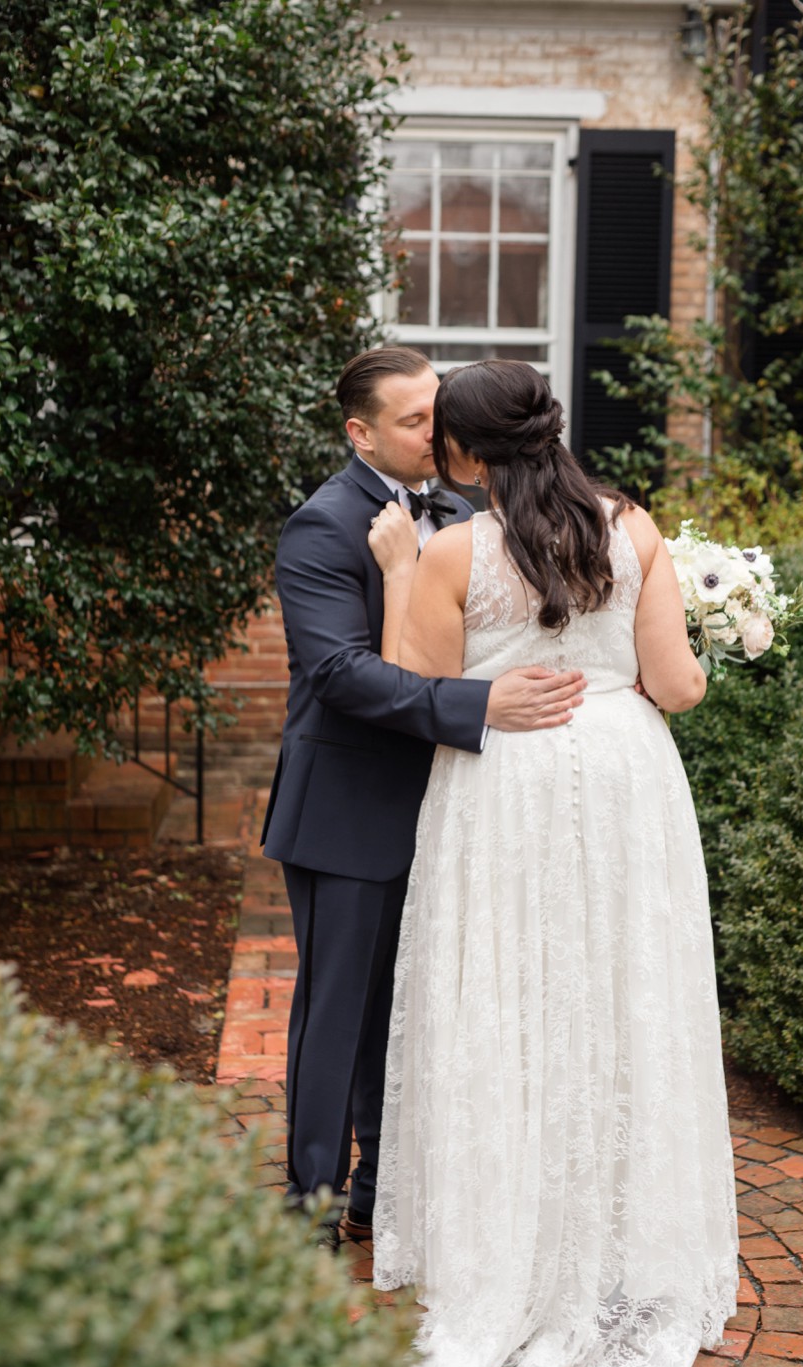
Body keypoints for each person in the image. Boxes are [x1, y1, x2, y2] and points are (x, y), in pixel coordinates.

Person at [368, 359, 738, 1367]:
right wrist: (703, 644)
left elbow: (416, 688)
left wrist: (399, 572)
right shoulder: (636, 529)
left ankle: (516, 1243)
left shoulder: (449, 551)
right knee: (624, 996)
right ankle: (623, 1245)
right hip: (626, 779)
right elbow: (675, 684)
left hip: (505, 787)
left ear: (467, 451)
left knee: (509, 999)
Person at [260, 346, 587, 1250]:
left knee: (417, 1008)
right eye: (414, 421)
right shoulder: (321, 526)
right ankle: (312, 1203)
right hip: (351, 805)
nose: (436, 432)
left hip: (457, 809)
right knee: (342, 1012)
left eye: (438, 412)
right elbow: (338, 674)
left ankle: (382, 1191)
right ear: (359, 432)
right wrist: (482, 706)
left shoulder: (461, 509)